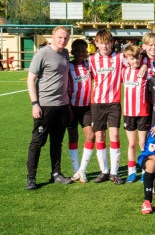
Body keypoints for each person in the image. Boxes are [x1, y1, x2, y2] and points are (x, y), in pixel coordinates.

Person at [26, 26, 73, 189]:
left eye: (65, 38)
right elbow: (30, 79)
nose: (63, 40)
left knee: (57, 142)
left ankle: (56, 174)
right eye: (60, 37)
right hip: (45, 106)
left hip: (62, 106)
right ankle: (31, 178)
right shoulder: (42, 54)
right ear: (53, 37)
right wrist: (35, 104)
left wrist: (68, 105)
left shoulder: (65, 53)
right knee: (37, 142)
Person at [89, 29, 134, 185]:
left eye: (107, 43)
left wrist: (141, 67)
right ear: (96, 43)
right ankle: (104, 171)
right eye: (101, 43)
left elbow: (134, 62)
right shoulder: (92, 60)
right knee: (100, 136)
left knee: (114, 135)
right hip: (97, 103)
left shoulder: (120, 57)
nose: (105, 46)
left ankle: (114, 172)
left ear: (112, 43)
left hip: (114, 102)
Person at [66, 39, 95, 183]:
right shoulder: (68, 66)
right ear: (72, 52)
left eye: (83, 51)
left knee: (91, 136)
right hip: (71, 107)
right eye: (77, 51)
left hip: (86, 108)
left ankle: (82, 170)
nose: (80, 54)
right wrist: (68, 108)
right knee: (73, 137)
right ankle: (76, 170)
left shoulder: (89, 65)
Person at [122, 45, 150, 183]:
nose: (135, 61)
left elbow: (154, 62)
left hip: (143, 112)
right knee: (131, 143)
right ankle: (131, 171)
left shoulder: (146, 71)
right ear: (127, 59)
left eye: (138, 58)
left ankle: (145, 171)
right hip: (128, 113)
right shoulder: (124, 71)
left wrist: (145, 64)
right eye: (132, 58)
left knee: (143, 143)